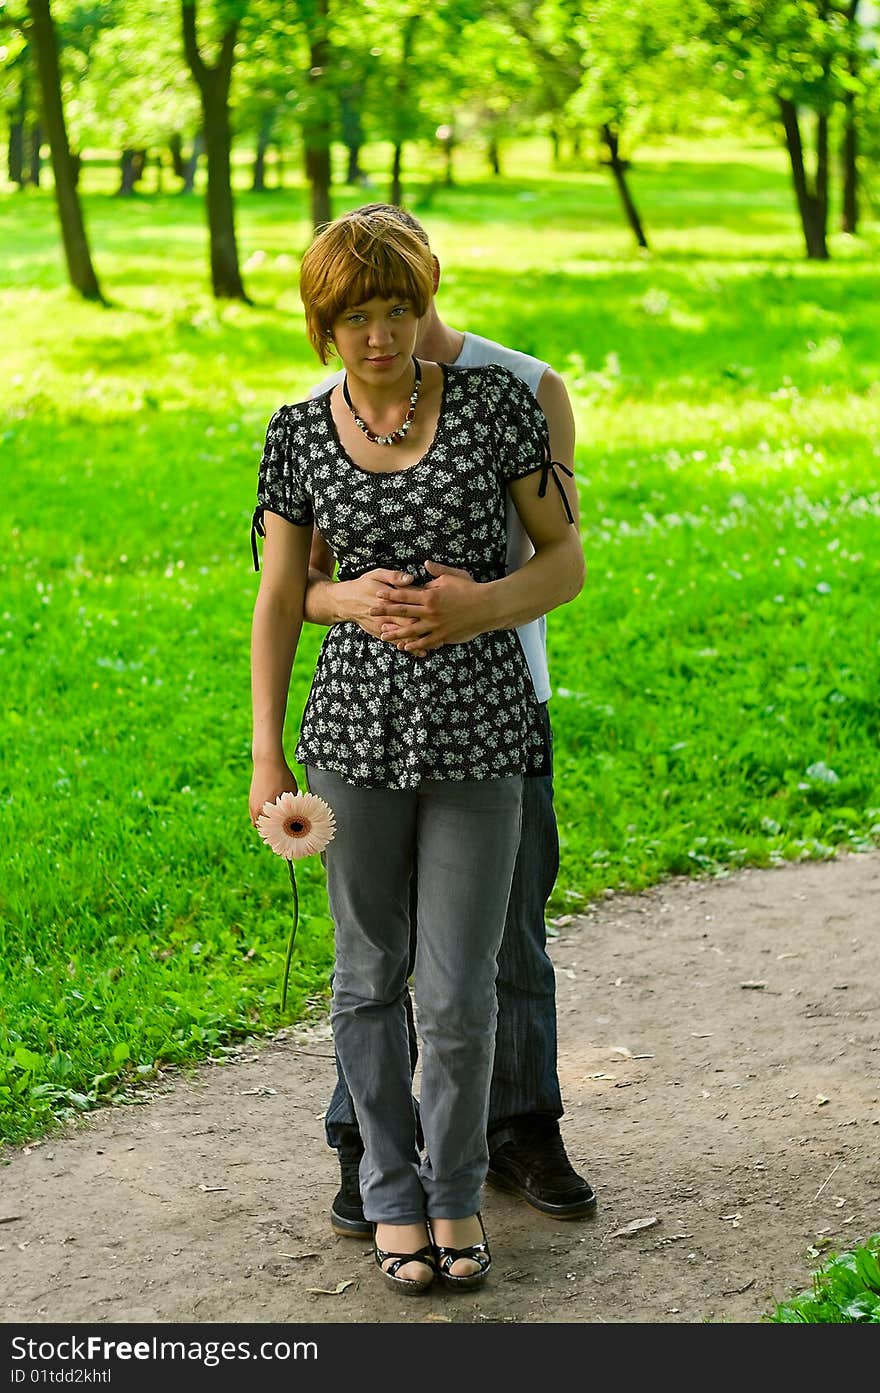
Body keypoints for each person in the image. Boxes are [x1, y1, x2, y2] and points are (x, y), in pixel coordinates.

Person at [248, 210, 582, 1293]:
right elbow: (276, 597)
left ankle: (457, 1194)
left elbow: (564, 559)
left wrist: (479, 604)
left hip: (482, 728)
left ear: (427, 298)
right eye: (355, 315)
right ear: (323, 324)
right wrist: (268, 750)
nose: (380, 333)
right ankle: (387, 1192)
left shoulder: (497, 405)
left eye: (398, 309)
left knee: (457, 991)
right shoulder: (298, 431)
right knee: (365, 975)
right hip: (349, 734)